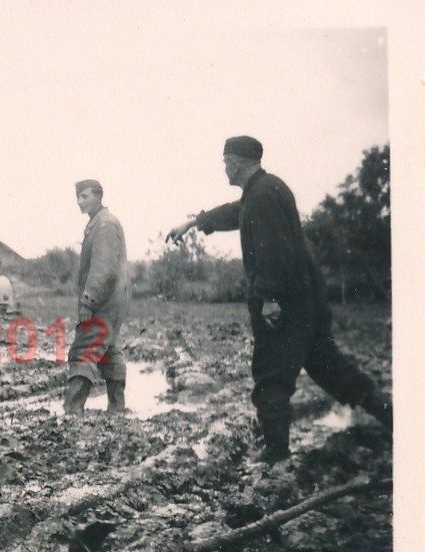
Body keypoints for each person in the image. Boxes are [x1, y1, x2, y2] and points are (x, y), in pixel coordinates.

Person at [166, 135, 393, 462]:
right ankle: (394, 419)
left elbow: (273, 250)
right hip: (306, 303)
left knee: (271, 376)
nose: (223, 168)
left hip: (283, 307)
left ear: (233, 162)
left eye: (224, 162)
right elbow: (234, 212)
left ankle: (276, 455)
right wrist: (194, 222)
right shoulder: (265, 190)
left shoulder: (262, 197)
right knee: (332, 370)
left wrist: (270, 298)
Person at [63, 180, 131, 414]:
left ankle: (72, 412)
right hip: (111, 302)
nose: (79, 202)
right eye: (78, 197)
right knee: (110, 349)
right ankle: (116, 409)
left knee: (84, 349)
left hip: (102, 302)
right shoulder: (99, 223)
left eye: (85, 196)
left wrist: (88, 301)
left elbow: (104, 269)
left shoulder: (104, 225)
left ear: (99, 196)